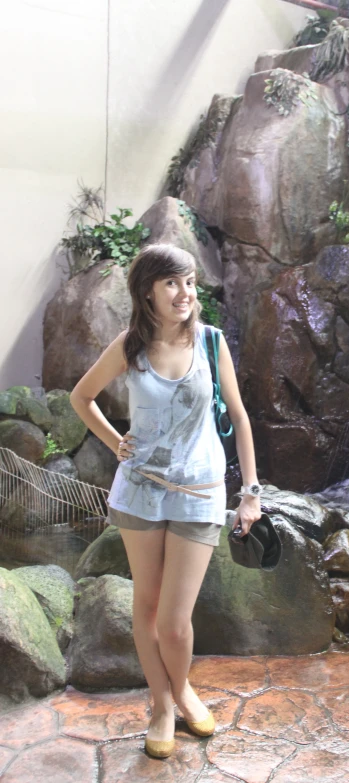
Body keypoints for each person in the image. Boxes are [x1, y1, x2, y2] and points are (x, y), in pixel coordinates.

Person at [70, 242, 263, 758]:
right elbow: (80, 397)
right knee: (148, 607)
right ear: (148, 290)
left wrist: (250, 493)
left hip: (200, 495)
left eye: (190, 282)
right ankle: (161, 703)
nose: (185, 293)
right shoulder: (130, 346)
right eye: (173, 283)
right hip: (139, 494)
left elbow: (240, 419)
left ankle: (181, 689)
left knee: (176, 620)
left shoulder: (211, 342)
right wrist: (117, 444)